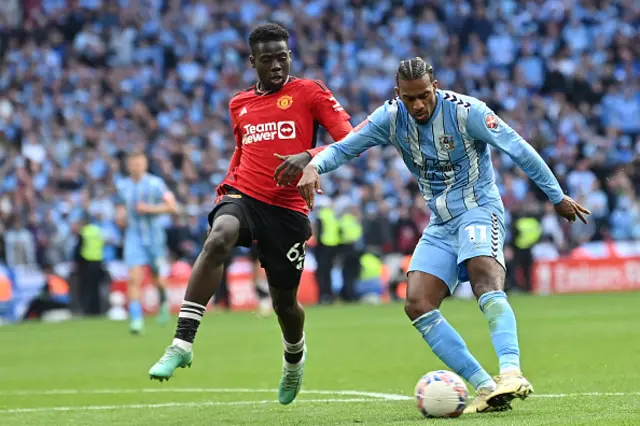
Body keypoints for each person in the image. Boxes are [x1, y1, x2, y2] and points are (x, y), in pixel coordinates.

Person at [297, 57, 590, 414]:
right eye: (409, 98)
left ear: (435, 86)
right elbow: (346, 147)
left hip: (478, 209)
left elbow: (519, 149)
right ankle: (487, 387)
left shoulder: (468, 113)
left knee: (484, 275)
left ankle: (511, 371)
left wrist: (556, 196)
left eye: (424, 95)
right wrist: (314, 165)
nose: (418, 105)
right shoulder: (390, 117)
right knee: (417, 303)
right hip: (440, 222)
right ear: (397, 94)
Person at [148, 23, 353, 406]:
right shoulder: (238, 104)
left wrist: (311, 159)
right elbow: (242, 151)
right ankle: (182, 342)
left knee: (284, 305)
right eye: (267, 59)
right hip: (244, 195)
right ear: (252, 62)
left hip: (287, 210)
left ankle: (294, 360)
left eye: (282, 57)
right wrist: (227, 186)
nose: (276, 65)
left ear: (289, 57)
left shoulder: (310, 92)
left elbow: (350, 137)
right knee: (218, 237)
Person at [115, 150, 178, 334]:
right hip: (133, 237)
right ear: (128, 165)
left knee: (157, 277)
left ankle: (164, 303)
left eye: (139, 163)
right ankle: (136, 320)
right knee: (134, 277)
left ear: (144, 164)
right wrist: (120, 217)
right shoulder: (122, 186)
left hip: (154, 238)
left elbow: (172, 207)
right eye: (133, 163)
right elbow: (120, 207)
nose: (136, 166)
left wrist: (149, 209)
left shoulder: (155, 184)